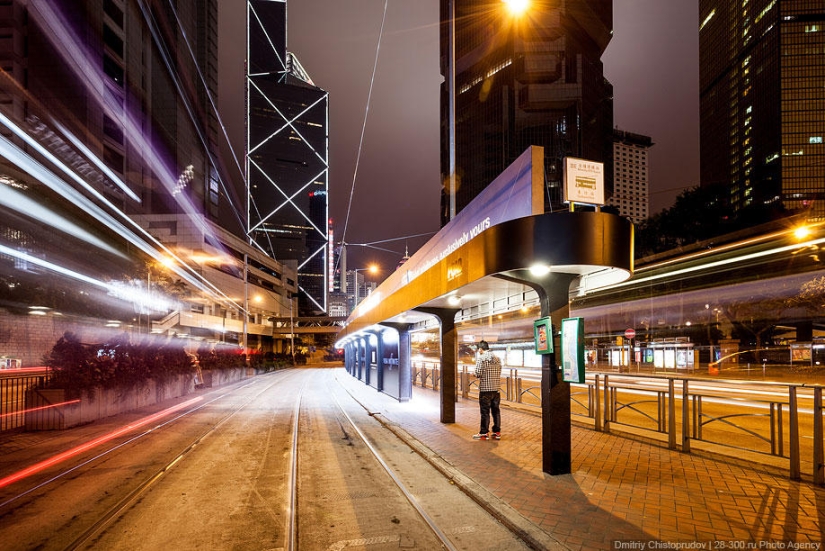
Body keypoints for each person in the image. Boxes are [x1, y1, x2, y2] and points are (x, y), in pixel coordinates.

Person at [472, 340, 502, 440]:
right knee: (496, 411)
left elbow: (478, 373)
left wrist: (474, 373)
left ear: (480, 349)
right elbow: (499, 371)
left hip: (485, 390)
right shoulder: (497, 358)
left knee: (485, 412)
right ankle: (497, 432)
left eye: (478, 349)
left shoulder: (481, 358)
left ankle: (484, 433)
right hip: (496, 390)